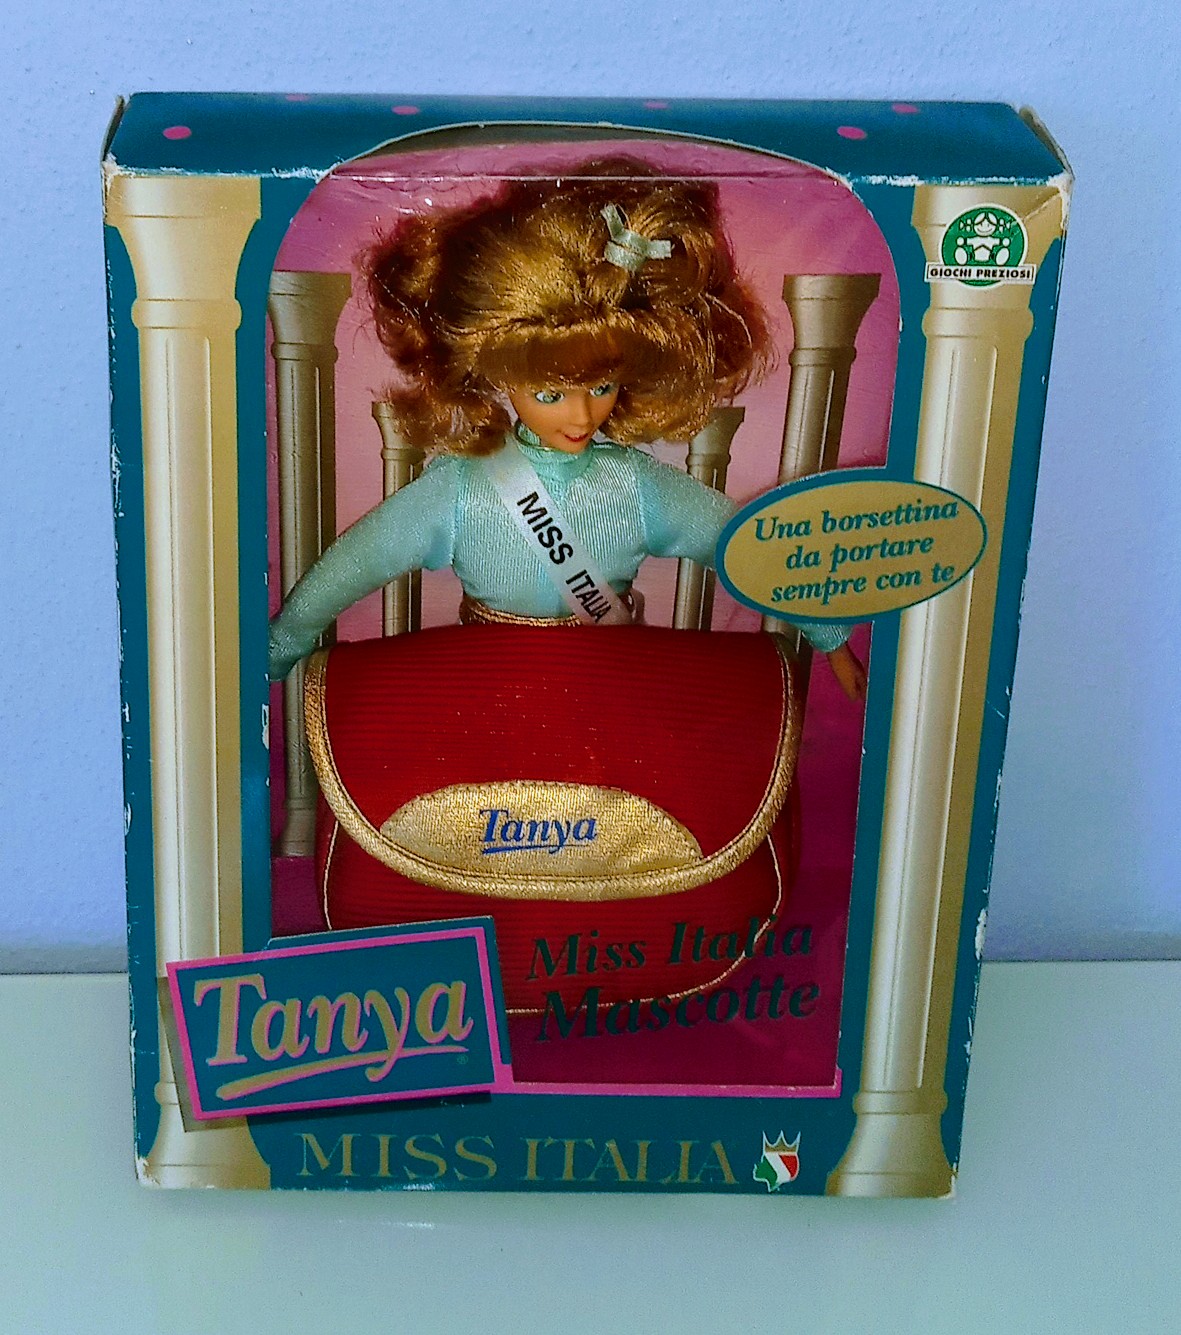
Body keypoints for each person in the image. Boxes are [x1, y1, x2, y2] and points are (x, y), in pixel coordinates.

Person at [268, 159, 865, 699]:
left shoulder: (637, 487)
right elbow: (356, 564)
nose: (581, 417)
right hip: (487, 689)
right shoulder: (462, 488)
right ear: (497, 377)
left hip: (606, 688)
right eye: (550, 395)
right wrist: (282, 642)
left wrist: (830, 637)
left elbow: (743, 547)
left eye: (601, 388)